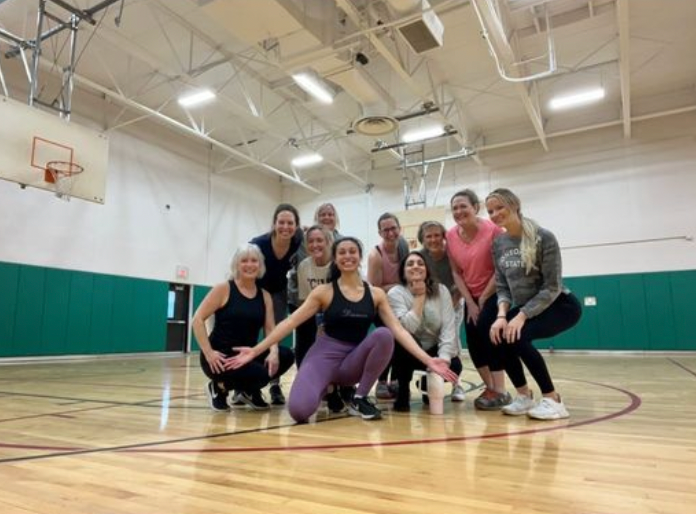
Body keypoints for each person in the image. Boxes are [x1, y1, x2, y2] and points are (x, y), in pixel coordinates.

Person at [227, 237, 458, 423]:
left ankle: (359, 398)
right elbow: (289, 323)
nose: (348, 256)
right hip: (323, 357)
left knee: (384, 335)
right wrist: (256, 351)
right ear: (336, 260)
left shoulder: (376, 294)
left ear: (359, 257)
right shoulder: (324, 292)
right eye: (342, 253)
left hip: (352, 363)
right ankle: (327, 387)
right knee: (299, 411)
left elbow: (400, 330)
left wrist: (429, 360)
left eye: (352, 252)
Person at [484, 188, 582, 420]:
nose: (495, 214)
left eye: (499, 207)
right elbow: (502, 287)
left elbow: (552, 287)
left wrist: (520, 316)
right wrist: (501, 316)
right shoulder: (499, 244)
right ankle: (524, 397)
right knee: (498, 337)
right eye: (490, 211)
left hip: (560, 306)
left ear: (515, 205)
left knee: (517, 336)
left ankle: (553, 400)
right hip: (526, 308)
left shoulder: (542, 237)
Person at [193, 244, 294, 412]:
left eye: (254, 261)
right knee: (261, 375)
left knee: (286, 355)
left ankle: (247, 391)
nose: (249, 265)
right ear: (236, 265)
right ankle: (218, 387)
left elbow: (270, 329)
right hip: (221, 357)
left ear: (260, 265)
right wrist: (208, 352)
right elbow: (197, 320)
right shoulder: (223, 289)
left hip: (248, 354)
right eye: (244, 261)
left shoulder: (265, 295)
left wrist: (274, 352)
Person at [446, 189, 515, 410]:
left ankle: (502, 390)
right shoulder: (450, 236)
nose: (459, 211)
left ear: (475, 207)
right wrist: (471, 302)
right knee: (474, 343)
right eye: (455, 208)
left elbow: (500, 268)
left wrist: (483, 298)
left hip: (494, 292)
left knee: (489, 335)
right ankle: (491, 388)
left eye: (463, 206)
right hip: (471, 296)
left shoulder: (493, 231)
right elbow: (457, 272)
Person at [387, 250, 463, 412]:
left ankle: (427, 385)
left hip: (434, 348)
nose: (416, 266)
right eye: (410, 264)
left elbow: (448, 328)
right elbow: (406, 329)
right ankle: (403, 391)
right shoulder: (395, 293)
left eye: (420, 263)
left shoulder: (441, 291)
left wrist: (443, 360)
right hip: (409, 352)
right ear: (403, 272)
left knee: (455, 366)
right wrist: (419, 296)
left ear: (427, 269)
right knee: (400, 341)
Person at [249, 203, 303, 405]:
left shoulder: (299, 240)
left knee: (275, 337)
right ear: (274, 223)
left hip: (279, 292)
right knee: (250, 336)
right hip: (255, 291)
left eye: (290, 223)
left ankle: (274, 384)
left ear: (296, 226)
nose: (285, 227)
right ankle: (243, 385)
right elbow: (241, 266)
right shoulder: (258, 244)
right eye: (281, 222)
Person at [417, 221, 466, 402]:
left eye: (437, 235)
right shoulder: (419, 257)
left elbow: (463, 281)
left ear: (443, 236)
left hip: (453, 302)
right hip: (428, 306)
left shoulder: (452, 255)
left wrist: (449, 307)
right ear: (422, 239)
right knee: (429, 341)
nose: (433, 239)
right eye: (428, 236)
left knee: (452, 341)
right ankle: (430, 380)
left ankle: (457, 384)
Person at [367, 212, 410, 400]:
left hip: (401, 305)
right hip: (380, 306)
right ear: (379, 232)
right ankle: (381, 382)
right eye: (386, 230)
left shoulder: (404, 246)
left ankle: (396, 381)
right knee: (389, 342)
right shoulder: (375, 255)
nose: (390, 233)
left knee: (403, 343)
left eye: (393, 228)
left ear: (400, 229)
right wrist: (398, 287)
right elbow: (375, 289)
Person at [294, 225, 333, 367]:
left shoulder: (337, 263)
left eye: (319, 240)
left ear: (328, 242)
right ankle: (304, 373)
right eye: (310, 241)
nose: (314, 245)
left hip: (336, 311)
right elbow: (305, 300)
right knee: (303, 327)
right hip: (315, 310)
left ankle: (343, 383)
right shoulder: (304, 266)